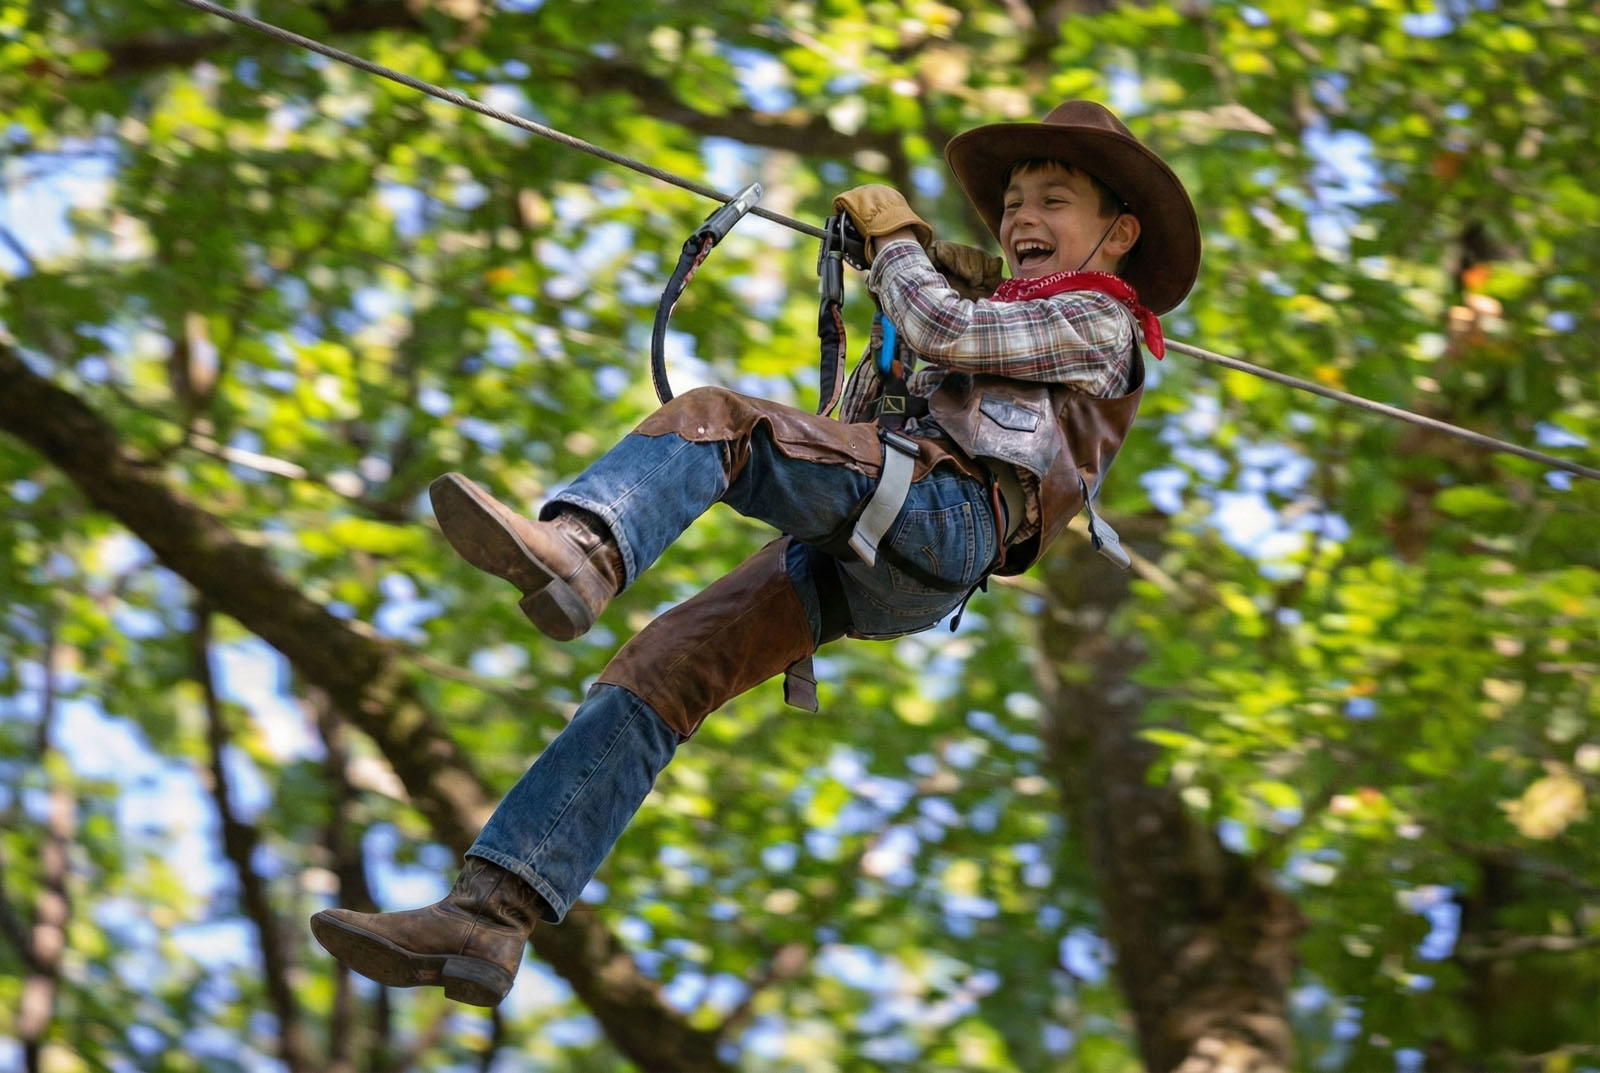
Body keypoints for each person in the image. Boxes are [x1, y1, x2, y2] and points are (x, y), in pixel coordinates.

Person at [309, 99, 1200, 1006]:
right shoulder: (1003, 311)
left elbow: (950, 335)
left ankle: (582, 548)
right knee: (664, 665)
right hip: (883, 547)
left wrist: (897, 251)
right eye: (1013, 202)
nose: (1021, 220)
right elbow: (860, 421)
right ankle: (490, 913)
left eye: (1053, 200)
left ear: (1119, 233)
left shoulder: (1102, 320)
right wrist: (925, 286)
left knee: (719, 423)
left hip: (942, 516)